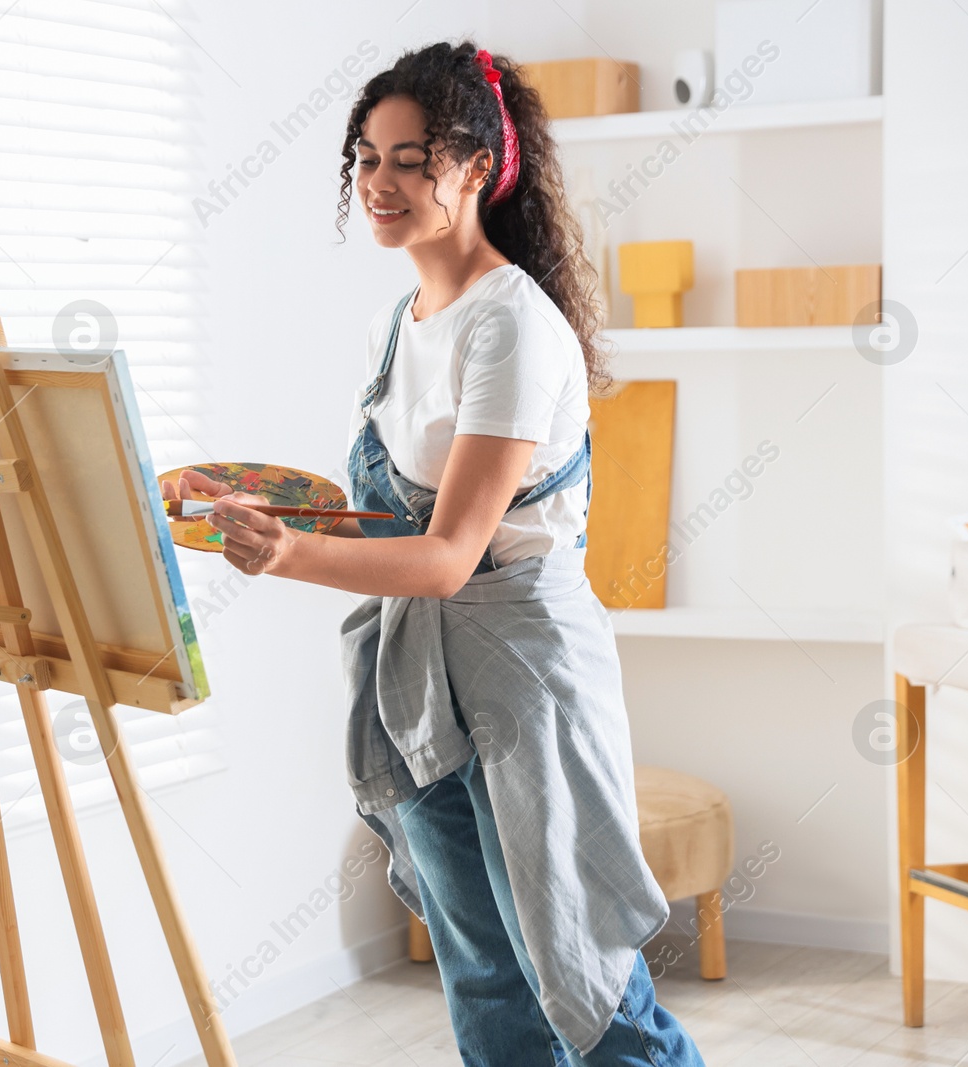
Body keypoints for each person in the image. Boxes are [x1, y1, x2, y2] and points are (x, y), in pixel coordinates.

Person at [161, 40, 706, 1067]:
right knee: (483, 973)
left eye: (411, 159)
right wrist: (253, 503)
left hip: (523, 674)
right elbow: (392, 518)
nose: (380, 182)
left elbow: (451, 553)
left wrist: (285, 556)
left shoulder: (512, 329)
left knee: (583, 978)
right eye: (366, 158)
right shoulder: (396, 323)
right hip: (420, 679)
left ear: (476, 166)